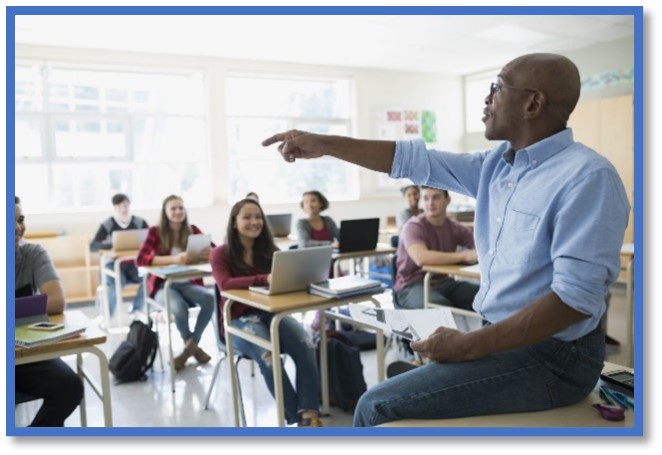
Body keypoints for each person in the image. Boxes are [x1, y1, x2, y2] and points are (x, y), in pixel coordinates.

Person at [262, 52, 630, 426]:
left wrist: (469, 346)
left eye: (497, 88)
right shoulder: (496, 166)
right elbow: (410, 160)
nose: (487, 99)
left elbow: (574, 300)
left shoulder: (587, 177)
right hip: (505, 338)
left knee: (373, 406)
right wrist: (325, 144)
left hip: (555, 358)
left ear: (533, 103)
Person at [210, 198, 323, 427]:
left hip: (272, 315)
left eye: (258, 217)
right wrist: (263, 278)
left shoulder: (270, 251)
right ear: (234, 222)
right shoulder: (220, 254)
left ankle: (309, 413)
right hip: (237, 322)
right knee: (268, 355)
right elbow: (225, 284)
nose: (255, 222)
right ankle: (296, 418)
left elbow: (282, 281)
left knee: (306, 343)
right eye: (247, 217)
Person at [14, 196, 84, 426]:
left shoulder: (33, 254)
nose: (18, 227)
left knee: (70, 387)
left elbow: (56, 300)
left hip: (25, 354)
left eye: (20, 219)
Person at [136, 194, 214, 371]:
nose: (178, 211)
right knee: (179, 308)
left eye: (181, 208)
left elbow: (215, 251)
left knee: (209, 298)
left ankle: (189, 348)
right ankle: (194, 348)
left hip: (188, 284)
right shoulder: (155, 232)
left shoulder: (193, 230)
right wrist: (174, 259)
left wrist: (208, 254)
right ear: (165, 212)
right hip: (164, 286)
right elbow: (141, 259)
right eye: (173, 208)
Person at [394, 186, 479, 311]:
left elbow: (480, 250)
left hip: (444, 282)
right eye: (426, 198)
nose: (430, 203)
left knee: (486, 297)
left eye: (436, 197)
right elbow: (421, 258)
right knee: (440, 307)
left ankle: (486, 330)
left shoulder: (455, 227)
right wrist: (465, 256)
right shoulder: (413, 226)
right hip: (412, 285)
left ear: (448, 200)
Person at [90, 193, 148, 316]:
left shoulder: (139, 222)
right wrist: (112, 245)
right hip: (114, 265)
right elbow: (93, 246)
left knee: (149, 279)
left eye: (126, 205)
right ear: (115, 208)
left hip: (134, 265)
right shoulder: (108, 224)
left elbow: (151, 240)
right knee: (115, 284)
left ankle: (136, 309)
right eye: (119, 206)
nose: (123, 209)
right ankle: (107, 317)